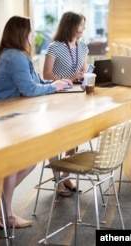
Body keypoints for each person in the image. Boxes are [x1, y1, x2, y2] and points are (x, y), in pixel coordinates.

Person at [0, 15, 72, 227]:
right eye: (30, 31)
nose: (32, 34)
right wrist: (53, 87)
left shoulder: (13, 54)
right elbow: (28, 90)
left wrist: (57, 83)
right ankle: (3, 212)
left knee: (27, 162)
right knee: (19, 163)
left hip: (13, 116)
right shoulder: (15, 56)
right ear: (21, 33)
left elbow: (35, 82)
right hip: (8, 119)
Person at [43, 11, 89, 196]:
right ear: (71, 25)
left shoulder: (83, 46)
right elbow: (46, 75)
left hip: (76, 98)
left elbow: (84, 70)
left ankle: (66, 175)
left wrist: (84, 75)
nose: (84, 28)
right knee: (56, 140)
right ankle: (58, 180)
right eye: (81, 25)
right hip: (56, 97)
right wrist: (70, 77)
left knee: (74, 138)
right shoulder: (55, 47)